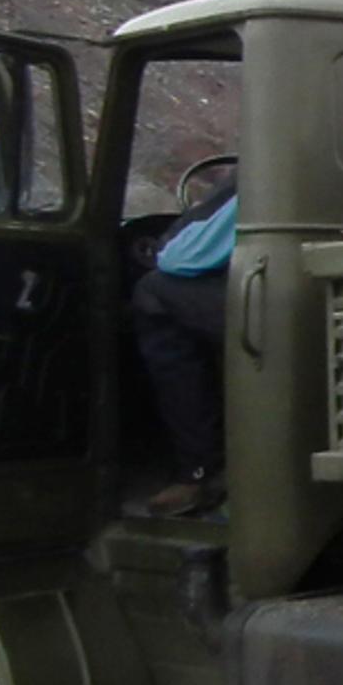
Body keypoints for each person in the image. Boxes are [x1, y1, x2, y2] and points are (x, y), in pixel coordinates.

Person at [133, 173, 233, 517]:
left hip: (276, 301)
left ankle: (200, 470)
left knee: (153, 291)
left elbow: (181, 257)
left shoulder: (271, 159)